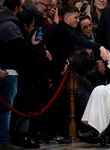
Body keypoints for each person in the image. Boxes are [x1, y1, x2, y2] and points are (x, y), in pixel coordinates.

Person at [44, 5, 107, 141]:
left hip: (60, 67)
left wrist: (66, 62)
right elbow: (80, 41)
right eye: (76, 18)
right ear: (67, 18)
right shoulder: (64, 29)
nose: (78, 20)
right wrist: (99, 46)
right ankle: (53, 133)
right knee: (55, 102)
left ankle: (58, 132)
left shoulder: (66, 28)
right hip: (54, 69)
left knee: (60, 101)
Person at [10, 12, 53, 149]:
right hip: (24, 81)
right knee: (23, 109)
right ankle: (23, 137)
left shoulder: (20, 39)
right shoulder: (20, 41)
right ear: (25, 25)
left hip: (21, 79)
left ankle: (20, 136)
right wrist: (45, 81)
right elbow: (32, 59)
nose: (32, 29)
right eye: (31, 26)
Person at [73, 15, 106, 135]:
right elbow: (78, 63)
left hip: (99, 76)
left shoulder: (97, 34)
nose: (89, 29)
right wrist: (87, 55)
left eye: (90, 25)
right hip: (85, 78)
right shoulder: (78, 41)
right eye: (85, 27)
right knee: (85, 99)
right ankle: (86, 129)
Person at [0, 0, 24, 149]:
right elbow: (19, 51)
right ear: (16, 8)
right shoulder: (10, 26)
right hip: (8, 71)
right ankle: (3, 139)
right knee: (6, 109)